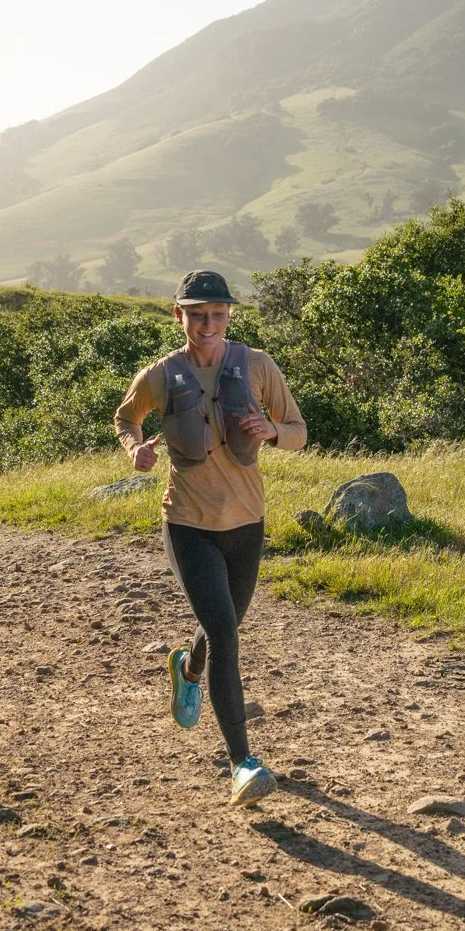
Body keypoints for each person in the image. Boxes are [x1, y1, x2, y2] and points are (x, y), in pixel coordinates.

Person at [114, 269, 308, 805]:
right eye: (196, 314)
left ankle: (187, 668)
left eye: (217, 313)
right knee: (225, 633)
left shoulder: (258, 365)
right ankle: (243, 764)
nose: (207, 324)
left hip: (247, 523)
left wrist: (273, 431)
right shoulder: (160, 375)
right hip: (188, 525)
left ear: (229, 315)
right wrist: (136, 450)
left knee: (222, 629)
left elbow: (298, 433)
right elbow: (126, 419)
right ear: (178, 315)